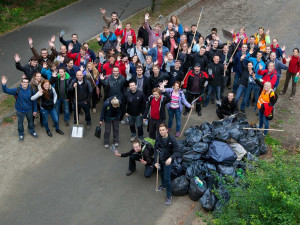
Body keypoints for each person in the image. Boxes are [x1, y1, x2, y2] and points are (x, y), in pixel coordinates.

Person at [2, 76, 38, 141]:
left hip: (29, 110)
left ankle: (32, 131)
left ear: (28, 83)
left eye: (26, 82)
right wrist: (4, 84)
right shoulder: (17, 90)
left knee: (30, 122)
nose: (25, 83)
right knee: (20, 123)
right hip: (20, 111)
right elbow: (6, 91)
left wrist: (35, 110)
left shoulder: (31, 90)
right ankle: (21, 134)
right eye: (24, 82)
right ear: (21, 83)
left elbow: (34, 101)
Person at [154, 124, 180, 205]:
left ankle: (169, 196)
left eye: (163, 130)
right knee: (161, 173)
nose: (161, 132)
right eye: (160, 130)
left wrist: (171, 158)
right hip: (160, 159)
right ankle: (163, 185)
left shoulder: (172, 139)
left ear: (167, 130)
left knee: (167, 178)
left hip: (168, 160)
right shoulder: (158, 137)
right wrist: (155, 161)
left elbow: (178, 151)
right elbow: (155, 149)